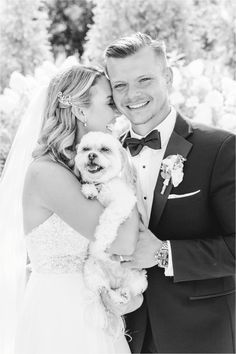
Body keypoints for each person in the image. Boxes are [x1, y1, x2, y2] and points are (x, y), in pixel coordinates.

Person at [104, 32, 235, 353]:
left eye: (144, 79)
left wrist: (165, 253)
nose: (132, 94)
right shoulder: (104, 157)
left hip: (200, 334)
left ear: (168, 77)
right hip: (125, 334)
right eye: (120, 85)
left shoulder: (220, 149)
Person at [0, 65, 143, 354]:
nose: (117, 113)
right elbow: (124, 241)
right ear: (80, 111)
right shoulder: (46, 174)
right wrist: (123, 176)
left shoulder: (81, 173)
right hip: (61, 314)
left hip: (94, 310)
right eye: (109, 103)